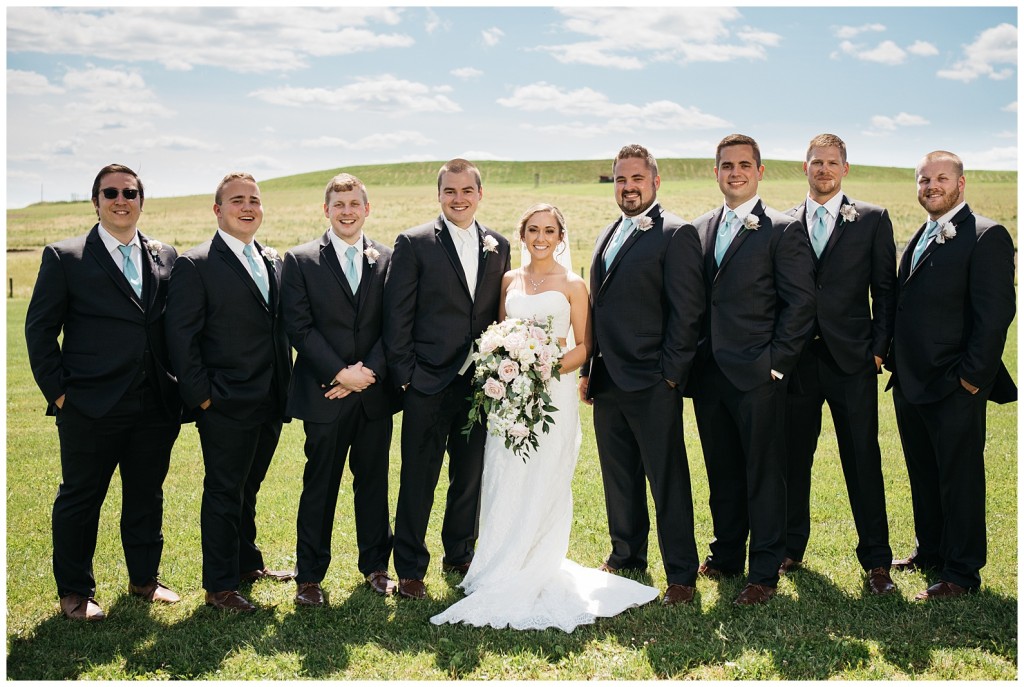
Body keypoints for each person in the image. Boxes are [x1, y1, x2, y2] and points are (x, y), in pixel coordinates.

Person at [431, 203, 658, 631]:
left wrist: (544, 367)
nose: (541, 237)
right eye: (533, 229)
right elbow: (499, 333)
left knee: (543, 475)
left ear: (560, 236)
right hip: (508, 396)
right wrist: (507, 365)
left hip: (551, 395)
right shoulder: (508, 280)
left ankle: (537, 559)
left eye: (549, 230)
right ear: (522, 235)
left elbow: (585, 346)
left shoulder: (572, 284)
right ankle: (500, 559)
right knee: (504, 473)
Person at [24, 163, 183, 621]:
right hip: (88, 404)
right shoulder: (65, 256)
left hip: (154, 402)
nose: (120, 199)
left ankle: (144, 580)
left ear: (140, 200)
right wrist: (59, 394)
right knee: (80, 497)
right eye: (110, 192)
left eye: (129, 192)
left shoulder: (164, 254)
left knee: (146, 495)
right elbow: (39, 331)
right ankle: (75, 591)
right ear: (95, 201)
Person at [689, 134, 816, 605]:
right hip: (710, 375)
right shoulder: (701, 227)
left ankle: (763, 569)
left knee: (764, 473)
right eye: (726, 165)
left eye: (744, 164)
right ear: (716, 172)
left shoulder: (782, 229)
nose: (735, 172)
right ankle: (725, 556)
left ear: (760, 172)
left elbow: (800, 304)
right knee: (722, 470)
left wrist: (776, 365)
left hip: (760, 375)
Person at [579, 144, 705, 606]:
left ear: (655, 181)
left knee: (666, 478)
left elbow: (687, 313)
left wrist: (670, 375)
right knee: (619, 476)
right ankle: (626, 555)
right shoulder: (609, 232)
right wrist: (591, 371)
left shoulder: (676, 232)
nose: (628, 187)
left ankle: (681, 574)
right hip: (608, 380)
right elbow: (602, 306)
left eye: (636, 179)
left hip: (653, 380)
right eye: (620, 180)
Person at [887, 150, 1016, 600]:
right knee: (923, 472)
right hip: (911, 382)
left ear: (961, 184)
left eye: (941, 178)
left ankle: (961, 572)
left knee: (959, 478)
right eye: (924, 180)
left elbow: (996, 313)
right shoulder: (922, 233)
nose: (931, 186)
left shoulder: (986, 235)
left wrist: (971, 379)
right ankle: (931, 551)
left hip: (955, 384)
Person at [383, 158, 511, 600]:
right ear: (439, 196)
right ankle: (410, 568)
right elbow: (396, 315)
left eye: (466, 191)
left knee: (469, 474)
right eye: (450, 192)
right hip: (427, 382)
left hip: (479, 385)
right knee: (419, 476)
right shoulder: (414, 242)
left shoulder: (498, 244)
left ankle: (460, 553)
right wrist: (406, 378)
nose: (459, 199)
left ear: (480, 194)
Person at [165, 172, 294, 612]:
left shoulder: (272, 260)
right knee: (223, 491)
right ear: (218, 210)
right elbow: (181, 337)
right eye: (237, 200)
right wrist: (203, 397)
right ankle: (219, 585)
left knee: (249, 486)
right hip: (224, 402)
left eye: (254, 200)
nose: (248, 206)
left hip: (271, 399)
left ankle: (246, 563)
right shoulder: (196, 263)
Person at [781, 134, 898, 595]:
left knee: (862, 458)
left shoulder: (872, 219)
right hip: (797, 362)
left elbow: (885, 291)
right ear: (804, 168)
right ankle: (790, 547)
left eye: (832, 163)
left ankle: (876, 561)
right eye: (816, 162)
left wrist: (878, 347)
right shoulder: (784, 222)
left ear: (845, 168)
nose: (824, 170)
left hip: (852, 360)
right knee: (793, 459)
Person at [280, 173, 396, 606]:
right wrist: (340, 374)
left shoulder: (387, 258)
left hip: (373, 394)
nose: (347, 211)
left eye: (354, 204)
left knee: (373, 482)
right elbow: (299, 326)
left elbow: (394, 324)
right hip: (323, 393)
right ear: (325, 210)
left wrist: (367, 373)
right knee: (320, 484)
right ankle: (309, 577)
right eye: (338, 204)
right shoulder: (301, 259)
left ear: (367, 209)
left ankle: (376, 567)